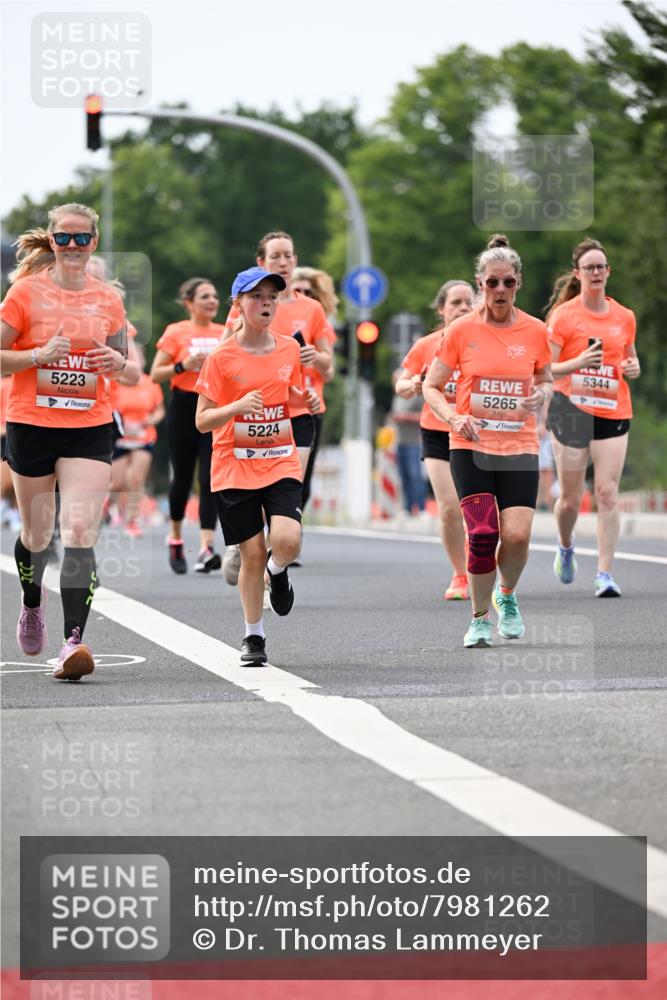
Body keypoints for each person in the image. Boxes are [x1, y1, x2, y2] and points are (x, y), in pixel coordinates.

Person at [0, 202, 137, 680]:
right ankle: (31, 602)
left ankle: (72, 643)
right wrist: (37, 356)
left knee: (79, 531)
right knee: (37, 536)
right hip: (31, 424)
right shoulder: (25, 292)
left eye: (82, 238)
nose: (73, 245)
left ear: (94, 242)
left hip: (89, 425)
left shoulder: (108, 300)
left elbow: (126, 367)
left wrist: (117, 364)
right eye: (64, 238)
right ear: (52, 241)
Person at [423, 235, 553, 647]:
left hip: (519, 446)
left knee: (517, 536)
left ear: (518, 284)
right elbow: (431, 386)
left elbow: (546, 379)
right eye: (492, 283)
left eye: (508, 282)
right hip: (471, 446)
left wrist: (541, 395)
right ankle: (479, 619)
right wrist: (453, 416)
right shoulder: (461, 330)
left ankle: (506, 595)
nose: (500, 290)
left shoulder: (535, 330)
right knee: (481, 534)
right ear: (480, 284)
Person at [195, 267, 320, 666]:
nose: (265, 304)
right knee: (250, 554)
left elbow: (291, 396)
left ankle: (278, 570)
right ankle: (254, 636)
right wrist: (236, 407)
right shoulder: (221, 357)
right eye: (256, 297)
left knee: (287, 540)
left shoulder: (288, 349)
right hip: (233, 466)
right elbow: (202, 420)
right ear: (238, 305)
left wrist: (308, 402)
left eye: (271, 297)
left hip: (279, 459)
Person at [221, 233, 333, 585]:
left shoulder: (311, 309)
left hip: (297, 412)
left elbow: (329, 364)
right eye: (275, 256)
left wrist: (315, 356)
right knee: (255, 488)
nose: (283, 262)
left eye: (288, 255)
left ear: (296, 260)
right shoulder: (247, 305)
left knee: (288, 488)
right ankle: (245, 542)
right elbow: (223, 354)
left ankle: (272, 568)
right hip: (253, 414)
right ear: (262, 263)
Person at [545, 237, 639, 597]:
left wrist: (633, 367)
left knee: (607, 492)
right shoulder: (564, 316)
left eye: (601, 267)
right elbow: (545, 369)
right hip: (570, 411)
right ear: (578, 273)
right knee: (570, 499)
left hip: (613, 409)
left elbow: (630, 357)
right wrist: (577, 363)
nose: (596, 272)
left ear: (608, 272)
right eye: (589, 268)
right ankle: (566, 545)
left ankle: (604, 574)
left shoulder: (624, 317)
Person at [395, 280, 474, 600]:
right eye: (456, 302)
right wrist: (414, 384)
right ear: (441, 309)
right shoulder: (426, 345)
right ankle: (460, 575)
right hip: (437, 431)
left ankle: (482, 563)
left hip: (477, 432)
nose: (464, 307)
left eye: (469, 302)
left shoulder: (486, 342)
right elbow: (400, 385)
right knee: (450, 509)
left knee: (481, 510)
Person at [150, 277, 225, 574]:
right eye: (205, 296)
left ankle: (207, 548)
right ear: (189, 303)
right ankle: (176, 537)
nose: (212, 301)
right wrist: (185, 365)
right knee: (182, 477)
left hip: (213, 407)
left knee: (209, 479)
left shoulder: (225, 332)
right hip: (183, 406)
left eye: (215, 296)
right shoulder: (176, 331)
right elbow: (155, 374)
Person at [290, 265, 338, 513]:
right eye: (298, 290)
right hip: (281, 404)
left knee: (302, 479)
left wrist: (315, 358)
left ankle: (291, 528)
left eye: (309, 292)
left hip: (312, 407)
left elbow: (329, 373)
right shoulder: (277, 315)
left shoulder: (322, 325)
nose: (303, 296)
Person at [109, 345, 165, 536]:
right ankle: (109, 504)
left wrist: (153, 419)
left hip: (144, 437)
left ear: (143, 361)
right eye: (132, 358)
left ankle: (132, 520)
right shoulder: (116, 382)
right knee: (117, 483)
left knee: (136, 479)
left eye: (139, 358)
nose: (136, 361)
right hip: (121, 438)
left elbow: (160, 410)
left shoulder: (151, 384)